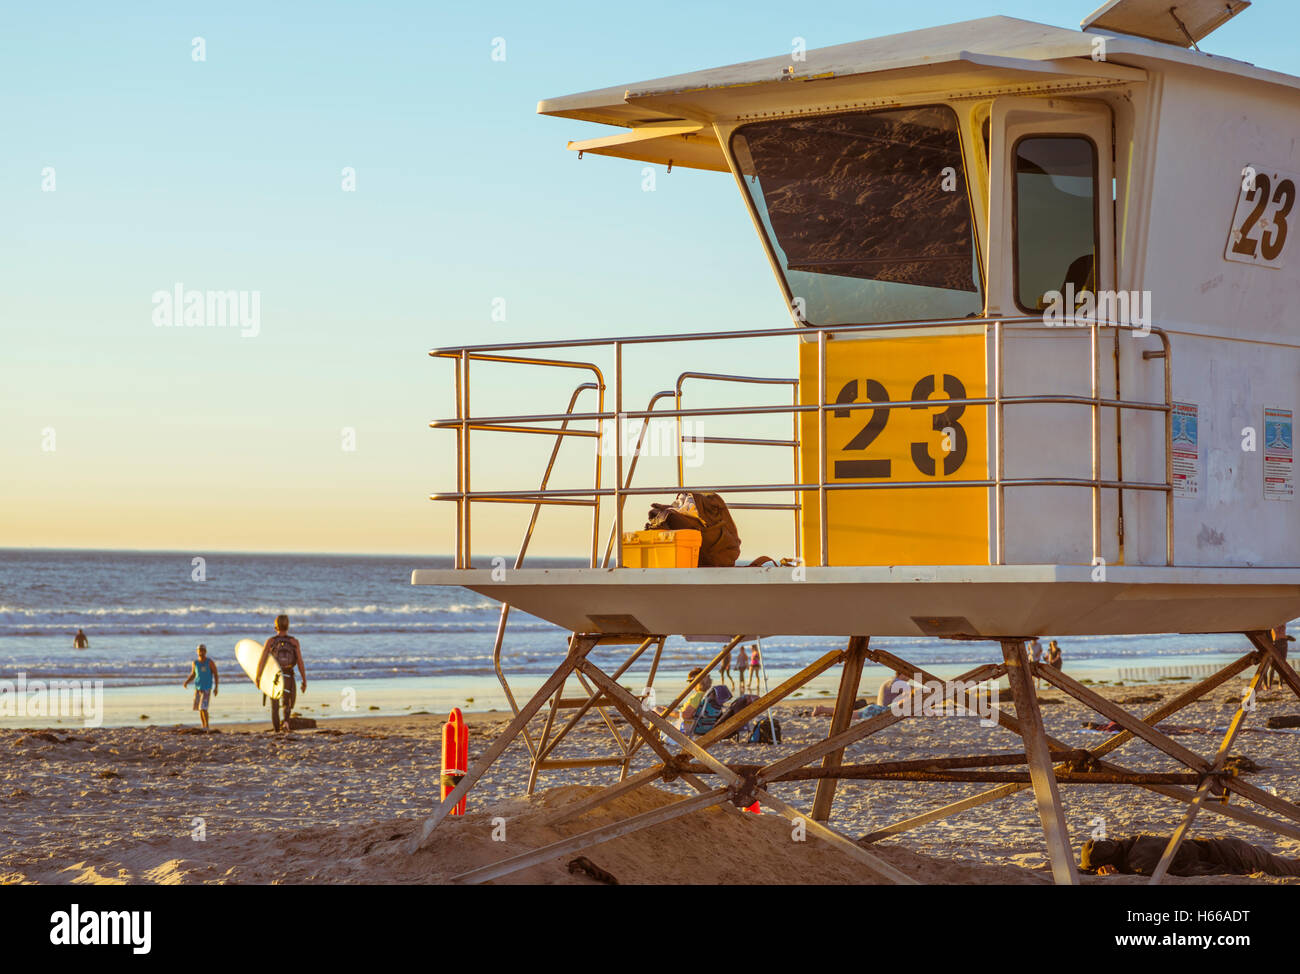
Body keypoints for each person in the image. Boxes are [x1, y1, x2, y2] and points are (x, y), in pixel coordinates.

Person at [257, 614, 307, 733]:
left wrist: (258, 677)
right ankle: (286, 723)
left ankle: (276, 731)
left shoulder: (270, 641)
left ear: (276, 626)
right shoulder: (294, 642)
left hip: (274, 676)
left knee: (274, 706)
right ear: (288, 626)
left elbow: (262, 660)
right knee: (287, 703)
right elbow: (300, 662)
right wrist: (304, 680)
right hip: (288, 674)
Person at [182, 643, 219, 731]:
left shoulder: (209, 662)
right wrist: (186, 682)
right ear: (197, 652)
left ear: (205, 652)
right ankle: (203, 726)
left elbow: (216, 674)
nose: (201, 652)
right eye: (199, 650)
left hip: (207, 687)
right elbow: (193, 674)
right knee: (199, 708)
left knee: (204, 707)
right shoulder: (195, 663)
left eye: (202, 650)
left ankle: (207, 726)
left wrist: (216, 687)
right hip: (198, 688)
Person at [676, 667, 711, 733]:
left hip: (685, 725)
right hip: (690, 723)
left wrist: (668, 713)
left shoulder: (697, 697)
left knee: (656, 710)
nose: (690, 685)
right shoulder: (706, 695)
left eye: (692, 682)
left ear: (698, 682)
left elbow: (686, 715)